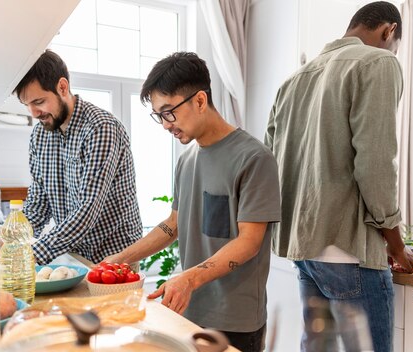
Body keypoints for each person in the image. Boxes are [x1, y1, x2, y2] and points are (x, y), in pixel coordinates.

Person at [104, 52, 281, 352]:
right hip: (189, 313)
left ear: (200, 101)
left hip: (235, 322)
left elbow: (250, 242)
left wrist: (189, 279)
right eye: (159, 115)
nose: (164, 124)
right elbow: (174, 224)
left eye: (168, 112)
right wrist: (120, 258)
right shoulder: (186, 160)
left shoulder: (254, 158)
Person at [264, 2, 413, 352]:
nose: (392, 51)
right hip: (349, 248)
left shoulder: (293, 81)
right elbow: (376, 163)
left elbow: (269, 160)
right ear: (388, 31)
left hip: (304, 247)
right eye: (394, 44)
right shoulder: (378, 62)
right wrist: (395, 242)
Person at [0, 49, 142, 265]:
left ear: (62, 87)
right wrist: (2, 243)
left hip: (115, 257)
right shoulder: (40, 135)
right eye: (27, 105)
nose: (33, 113)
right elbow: (38, 206)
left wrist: (29, 255)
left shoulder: (100, 128)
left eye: (39, 102)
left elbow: (87, 210)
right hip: (75, 254)